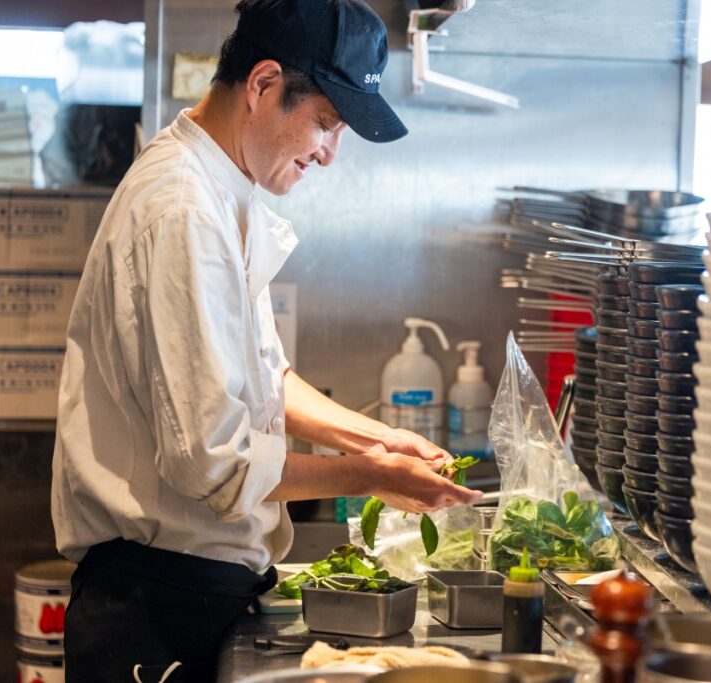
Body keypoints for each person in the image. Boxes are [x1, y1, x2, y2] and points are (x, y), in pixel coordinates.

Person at [51, 1, 481, 680]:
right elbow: (215, 466)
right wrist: (368, 474)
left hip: (190, 588)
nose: (329, 153)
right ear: (262, 85)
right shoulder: (183, 209)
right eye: (326, 123)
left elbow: (264, 377)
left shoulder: (221, 186)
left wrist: (371, 439)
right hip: (154, 603)